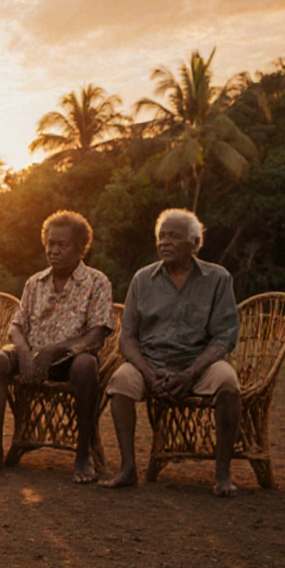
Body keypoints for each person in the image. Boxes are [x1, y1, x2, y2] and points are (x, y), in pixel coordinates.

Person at [101, 208, 241, 496]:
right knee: (120, 382)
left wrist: (190, 374)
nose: (164, 242)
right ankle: (128, 468)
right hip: (151, 364)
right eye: (161, 236)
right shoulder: (142, 279)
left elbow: (224, 336)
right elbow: (128, 337)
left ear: (194, 243)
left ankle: (223, 473)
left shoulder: (218, 278)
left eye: (174, 237)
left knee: (228, 383)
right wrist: (150, 375)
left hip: (199, 365)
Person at [0, 211, 115, 480]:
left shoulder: (97, 282)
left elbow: (95, 336)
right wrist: (23, 352)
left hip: (70, 359)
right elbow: (16, 326)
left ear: (81, 248)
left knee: (86, 365)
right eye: (50, 243)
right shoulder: (35, 282)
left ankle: (82, 455)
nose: (53, 250)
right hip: (32, 357)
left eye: (62, 245)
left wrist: (54, 350)